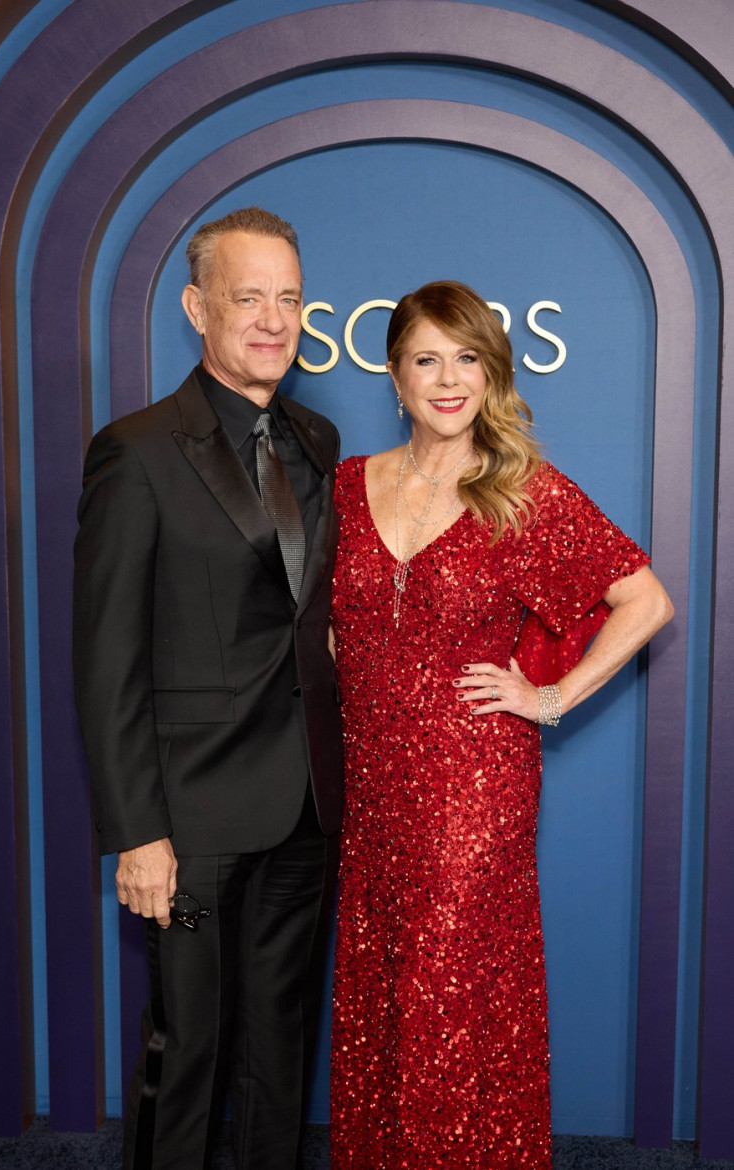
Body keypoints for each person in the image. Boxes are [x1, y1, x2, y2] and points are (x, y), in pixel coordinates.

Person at [329, 280, 672, 1168]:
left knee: (451, 999)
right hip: (369, 784)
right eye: (427, 360)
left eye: (467, 359)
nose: (448, 380)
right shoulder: (342, 487)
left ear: (492, 374)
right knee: (383, 989)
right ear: (395, 377)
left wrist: (550, 698)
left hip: (473, 788)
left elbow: (646, 601)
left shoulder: (521, 494)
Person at [73, 206, 344, 1170]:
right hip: (187, 821)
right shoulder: (137, 451)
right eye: (247, 298)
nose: (273, 320)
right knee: (185, 1055)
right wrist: (136, 833)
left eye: (289, 299)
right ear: (198, 308)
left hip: (307, 807)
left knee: (280, 1055)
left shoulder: (317, 437)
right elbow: (106, 661)